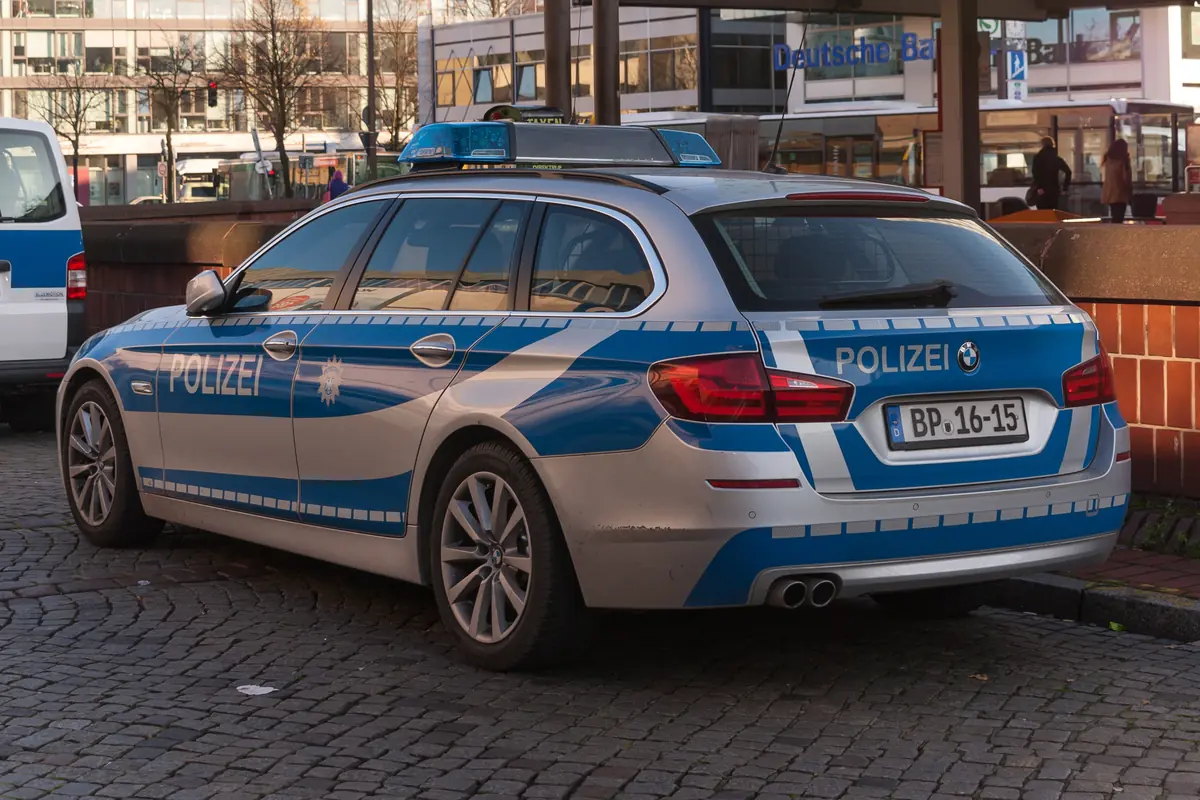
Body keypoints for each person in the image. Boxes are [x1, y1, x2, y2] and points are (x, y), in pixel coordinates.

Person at [1030, 136, 1071, 211]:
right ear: (1053, 145)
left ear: (1042, 145)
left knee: (1043, 214)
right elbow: (1068, 172)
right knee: (1053, 213)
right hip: (1054, 191)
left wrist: (1039, 187)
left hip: (1042, 191)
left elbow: (1035, 173)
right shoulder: (1056, 158)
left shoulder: (1037, 158)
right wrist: (1065, 188)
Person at [1101, 138, 1133, 223]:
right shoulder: (1123, 161)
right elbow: (1126, 178)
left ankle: (1114, 231)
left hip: (1110, 193)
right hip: (1120, 193)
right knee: (1119, 217)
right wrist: (1130, 191)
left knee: (1115, 215)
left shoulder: (1108, 160)